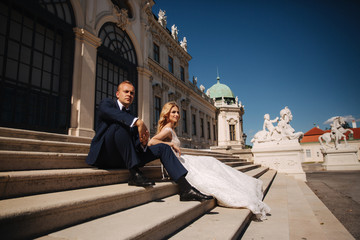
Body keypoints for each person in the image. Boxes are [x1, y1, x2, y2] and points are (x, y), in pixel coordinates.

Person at [86, 80, 212, 202]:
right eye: (126, 92)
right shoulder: (108, 104)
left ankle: (186, 189)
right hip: (107, 156)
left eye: (132, 93)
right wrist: (138, 122)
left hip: (126, 158)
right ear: (118, 94)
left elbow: (135, 145)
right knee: (118, 125)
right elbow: (111, 113)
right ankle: (135, 174)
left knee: (164, 148)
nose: (129, 95)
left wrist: (143, 143)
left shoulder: (131, 116)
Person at [148, 101, 271, 220]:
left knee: (212, 162)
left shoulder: (170, 128)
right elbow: (151, 142)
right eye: (173, 112)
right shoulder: (167, 129)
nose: (177, 115)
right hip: (179, 163)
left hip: (182, 159)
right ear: (167, 114)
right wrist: (170, 145)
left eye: (178, 112)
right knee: (211, 166)